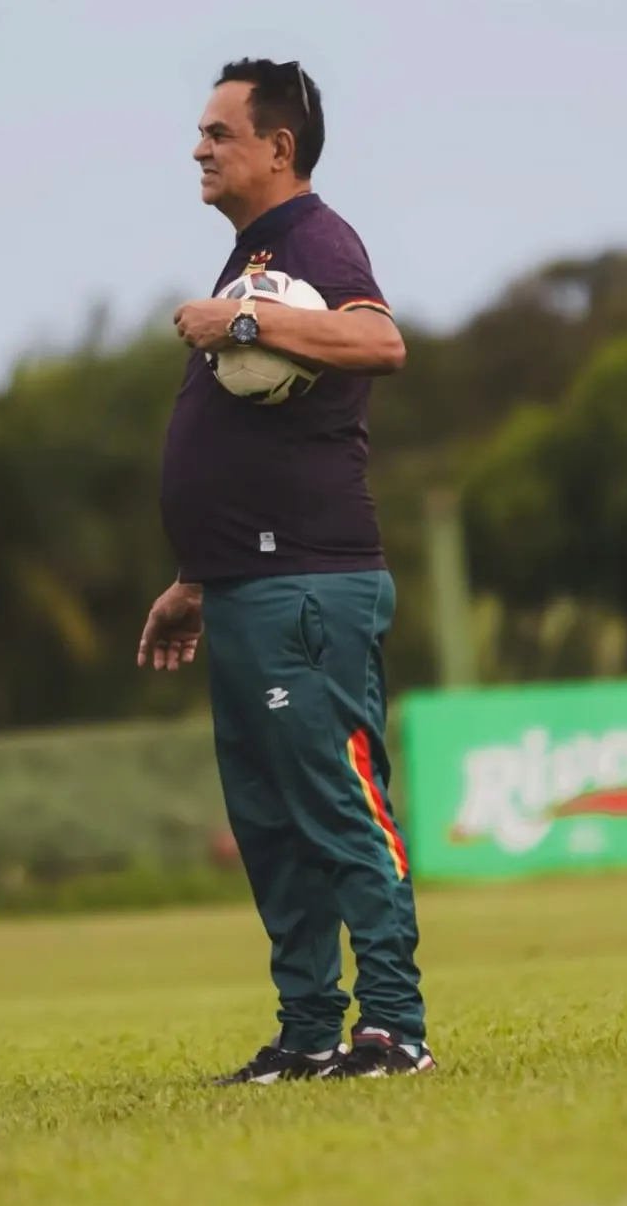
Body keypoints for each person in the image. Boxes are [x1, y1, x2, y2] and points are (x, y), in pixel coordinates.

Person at [138, 58, 434, 1082]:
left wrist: (243, 320)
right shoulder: (255, 252)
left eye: (218, 132)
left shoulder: (313, 238)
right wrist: (196, 576)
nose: (198, 148)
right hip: (244, 584)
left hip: (307, 580)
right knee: (268, 824)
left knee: (337, 802)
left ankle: (393, 1027)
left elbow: (381, 342)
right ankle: (309, 1029)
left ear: (278, 146)